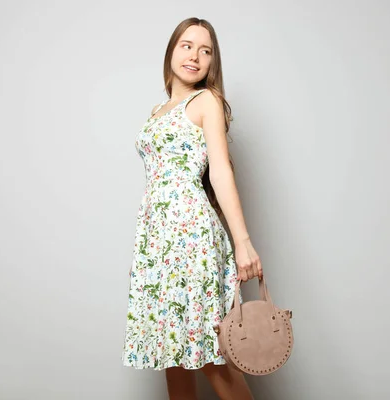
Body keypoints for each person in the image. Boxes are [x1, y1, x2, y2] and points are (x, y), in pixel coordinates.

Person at [122, 17, 263, 400]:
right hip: (157, 240)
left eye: (206, 50)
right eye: (187, 45)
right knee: (170, 351)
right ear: (171, 51)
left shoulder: (206, 101)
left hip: (191, 236)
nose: (195, 56)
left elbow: (219, 170)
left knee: (209, 355)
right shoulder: (159, 109)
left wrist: (243, 242)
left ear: (212, 62)